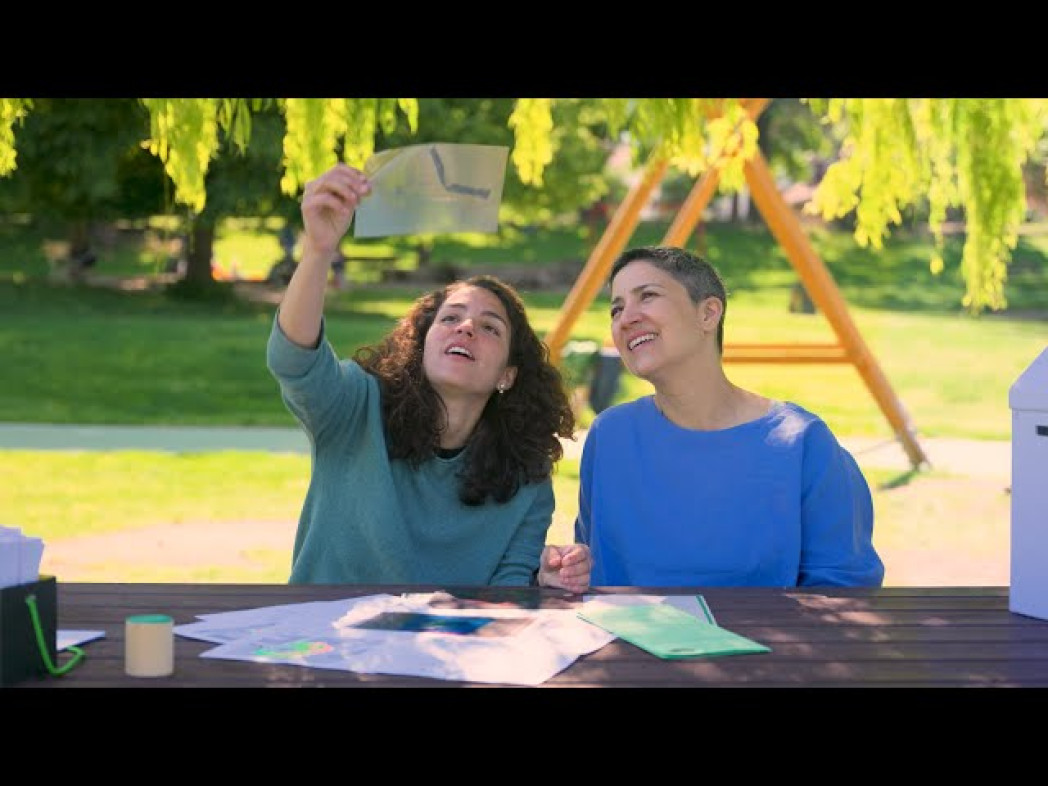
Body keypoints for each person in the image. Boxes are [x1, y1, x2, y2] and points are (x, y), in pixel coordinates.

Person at [267, 162, 590, 590]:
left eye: (490, 327)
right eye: (450, 317)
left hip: (450, 651)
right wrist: (318, 250)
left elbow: (506, 595)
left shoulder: (526, 477)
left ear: (507, 376)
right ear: (422, 348)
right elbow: (294, 360)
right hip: (325, 646)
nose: (466, 327)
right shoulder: (354, 408)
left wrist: (539, 582)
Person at [575, 245, 885, 588]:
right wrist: (565, 572)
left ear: (708, 314)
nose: (626, 318)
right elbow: (591, 569)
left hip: (763, 642)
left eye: (647, 296)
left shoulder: (802, 443)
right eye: (616, 310)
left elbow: (844, 591)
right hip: (622, 641)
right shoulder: (610, 436)